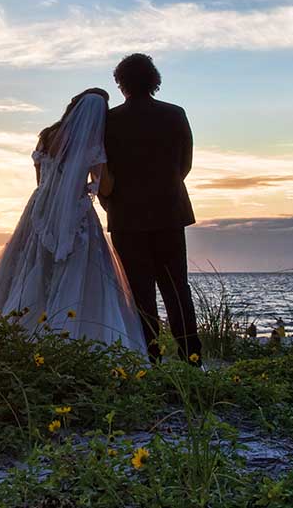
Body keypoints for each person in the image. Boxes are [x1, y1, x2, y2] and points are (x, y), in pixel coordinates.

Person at [0, 89, 146, 354]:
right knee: (76, 271)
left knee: (33, 266)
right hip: (74, 213)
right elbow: (107, 187)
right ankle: (69, 338)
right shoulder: (92, 145)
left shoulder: (46, 136)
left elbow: (40, 180)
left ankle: (16, 335)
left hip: (39, 210)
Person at [102, 53, 202, 364]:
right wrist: (165, 188)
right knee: (176, 289)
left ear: (121, 84)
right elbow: (184, 164)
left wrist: (113, 202)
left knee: (139, 294)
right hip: (169, 213)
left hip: (126, 218)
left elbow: (105, 170)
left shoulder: (110, 121)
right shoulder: (175, 114)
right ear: (154, 80)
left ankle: (150, 358)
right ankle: (192, 358)